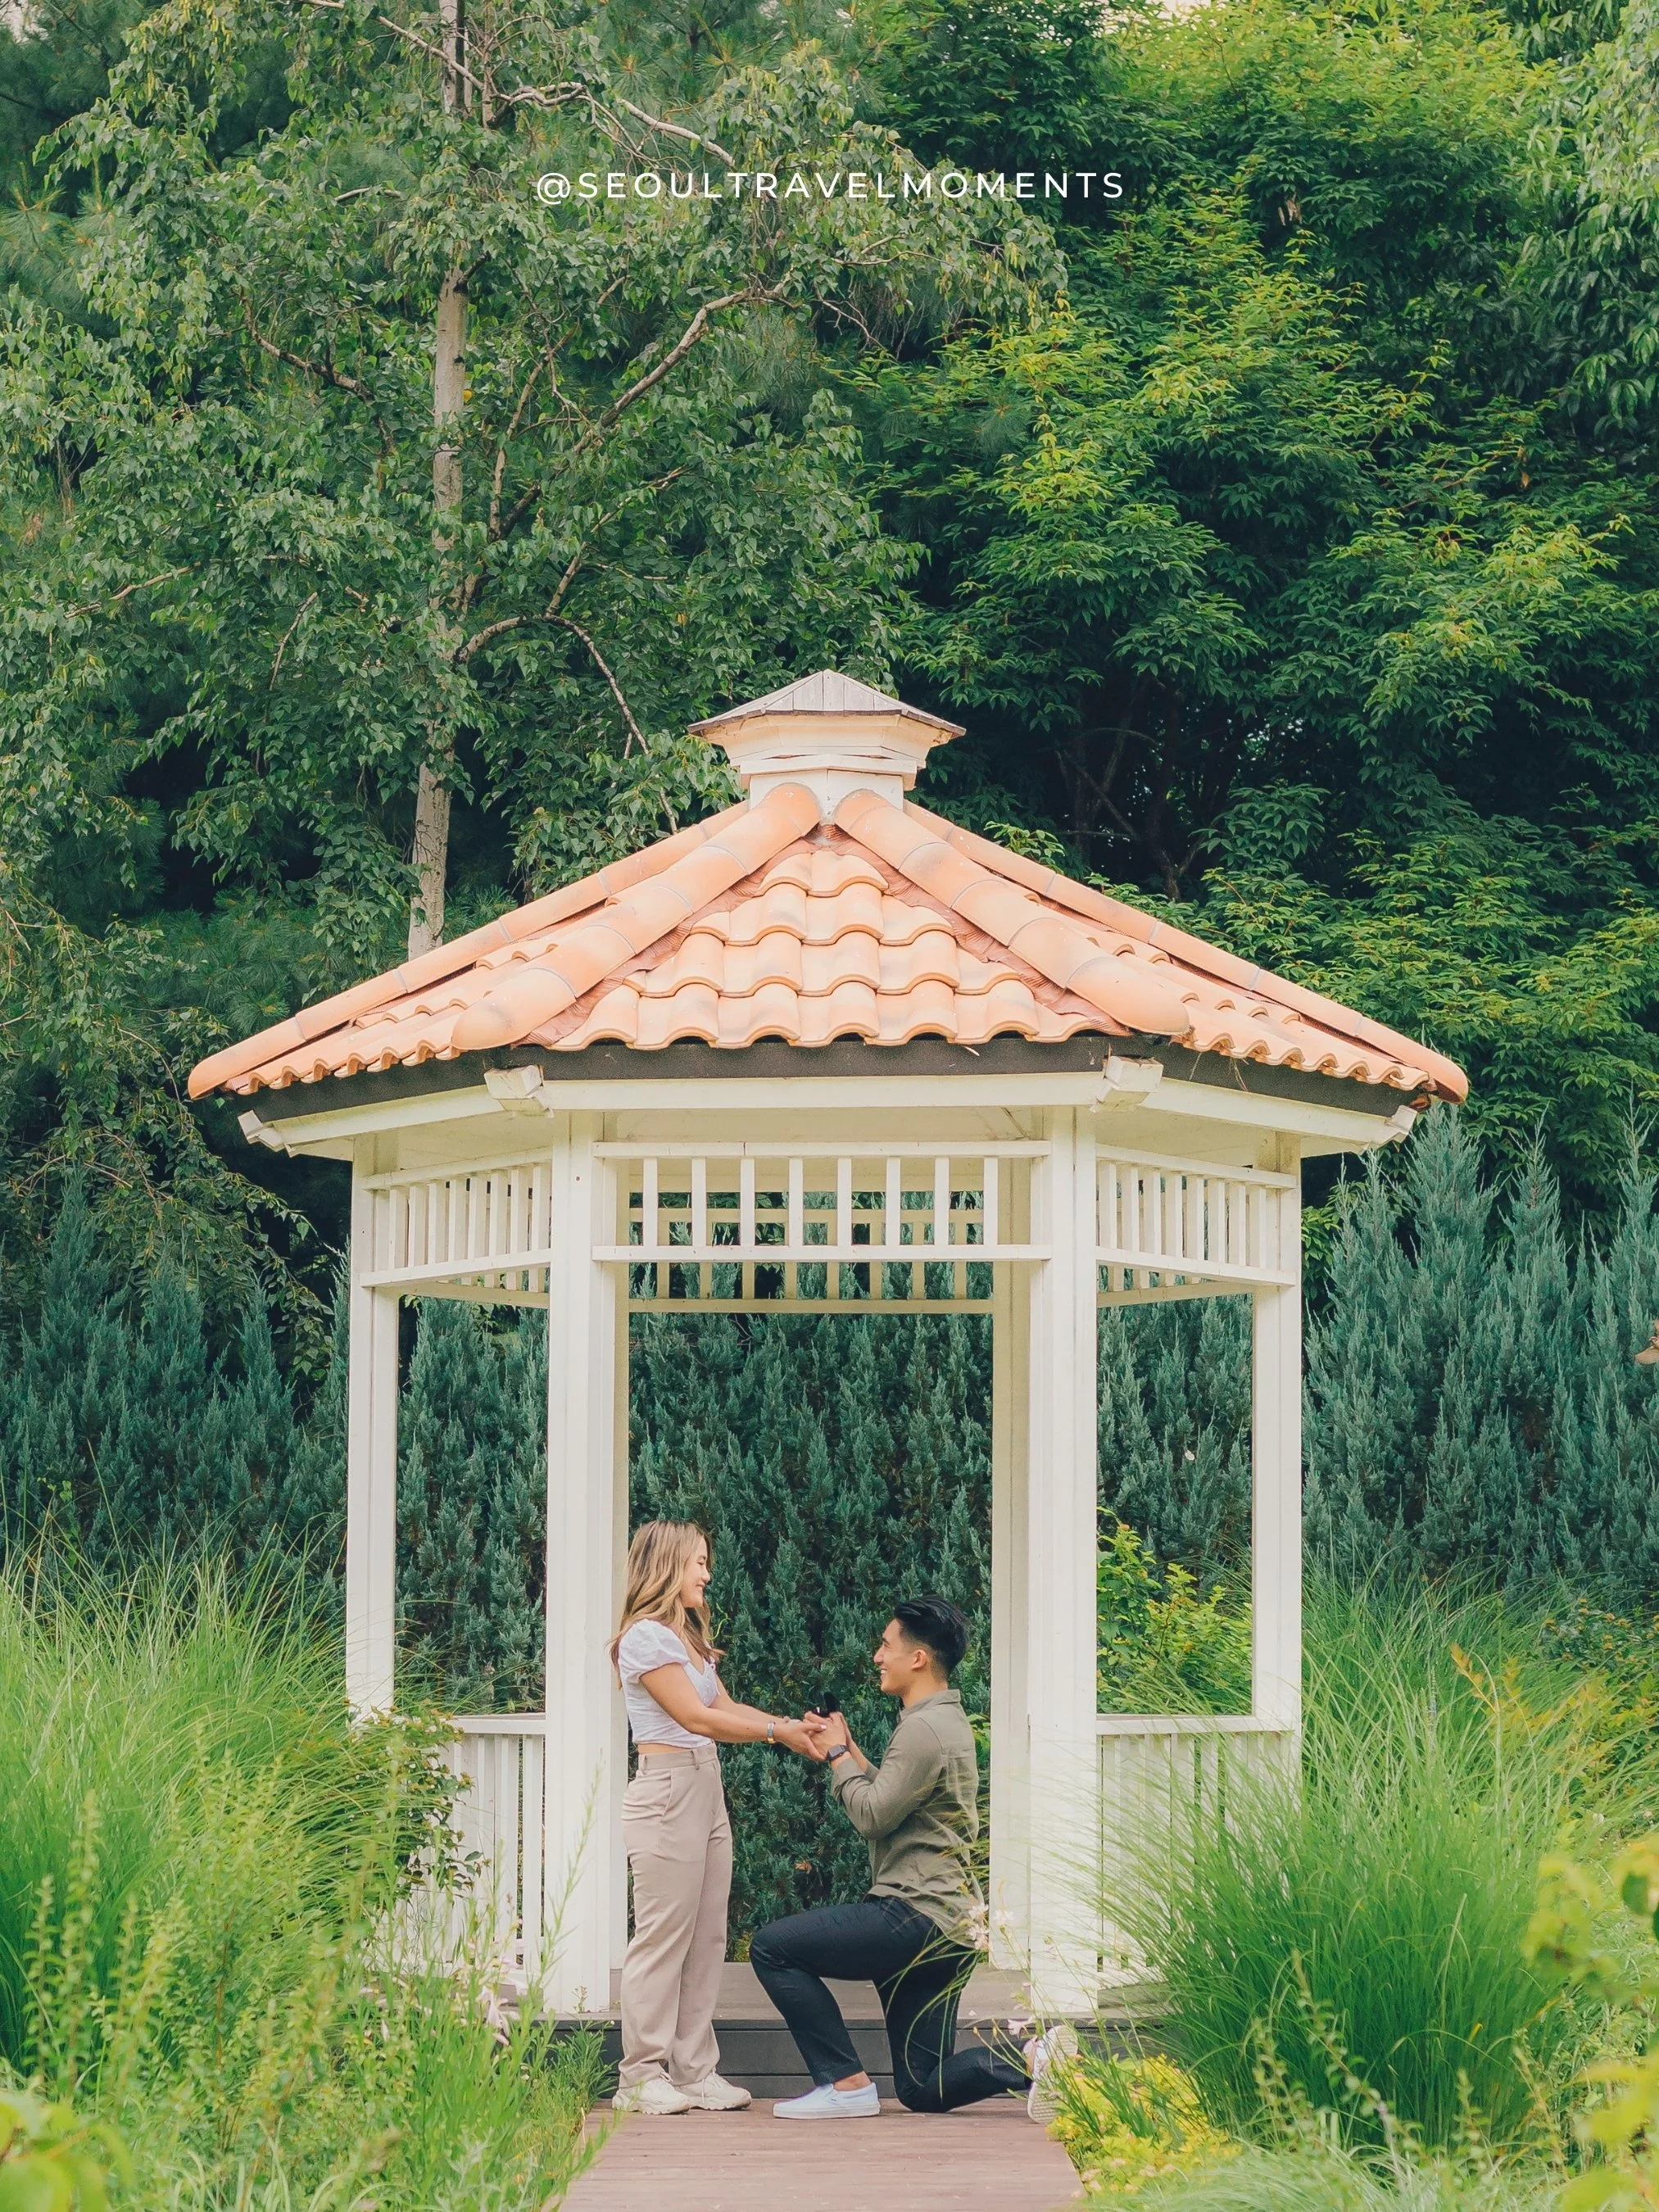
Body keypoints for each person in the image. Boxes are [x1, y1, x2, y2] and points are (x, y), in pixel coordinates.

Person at [751, 1594, 1076, 2120]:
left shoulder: (923, 1729)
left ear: (918, 1658)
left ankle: (846, 2083)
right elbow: (894, 1798)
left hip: (913, 1915)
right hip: (949, 1929)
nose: (878, 1657)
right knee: (922, 2086)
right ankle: (1034, 2057)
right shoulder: (940, 1722)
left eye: (886, 1645)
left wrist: (835, 1757)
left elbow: (873, 1816)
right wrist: (851, 1750)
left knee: (772, 1948)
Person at [611, 1519, 816, 2115]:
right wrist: (777, 1731)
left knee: (706, 1937)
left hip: (704, 1787)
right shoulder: (644, 1638)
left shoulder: (686, 1640)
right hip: (667, 1790)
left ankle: (695, 2070)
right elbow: (694, 1718)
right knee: (662, 1938)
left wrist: (791, 1730)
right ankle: (640, 2076)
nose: (707, 1572)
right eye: (698, 1562)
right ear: (668, 1566)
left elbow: (722, 1706)